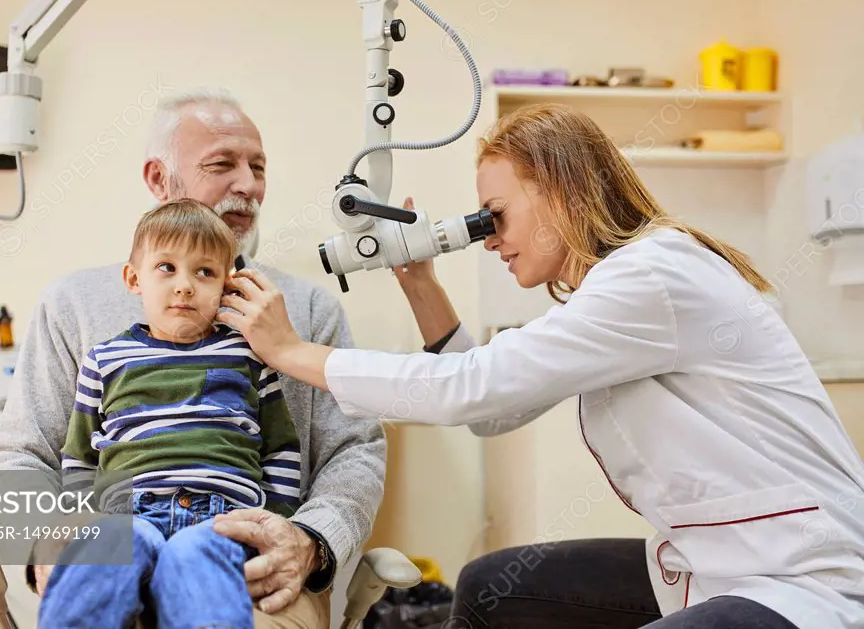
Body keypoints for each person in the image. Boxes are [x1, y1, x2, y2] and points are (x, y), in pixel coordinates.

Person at [216, 103, 864, 629]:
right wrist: (419, 281)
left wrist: (290, 351)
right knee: (492, 585)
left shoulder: (652, 276)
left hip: (800, 579)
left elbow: (471, 390)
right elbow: (498, 411)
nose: (490, 238)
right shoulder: (615, 293)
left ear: (559, 190)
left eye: (494, 217)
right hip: (715, 565)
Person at [0, 87, 386, 629]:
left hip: (248, 564)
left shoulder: (310, 309)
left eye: (258, 167)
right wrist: (45, 533)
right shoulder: (72, 305)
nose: (247, 184)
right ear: (158, 179)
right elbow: (22, 452)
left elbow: (354, 452)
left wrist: (310, 539)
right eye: (222, 164)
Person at [37, 199, 302, 628]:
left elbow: (282, 449)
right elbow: (80, 454)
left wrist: (273, 518)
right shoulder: (105, 360)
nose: (185, 286)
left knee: (193, 557)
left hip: (222, 520)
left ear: (227, 286)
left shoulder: (249, 357)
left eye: (205, 272)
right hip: (125, 514)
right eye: (166, 267)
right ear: (133, 277)